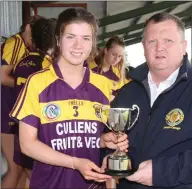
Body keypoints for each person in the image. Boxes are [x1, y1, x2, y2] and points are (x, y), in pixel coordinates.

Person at [9, 7, 128, 189]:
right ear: (58, 40)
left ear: (93, 43)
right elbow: (27, 144)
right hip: (49, 184)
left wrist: (105, 140)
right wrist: (74, 163)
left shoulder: (103, 86)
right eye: (70, 37)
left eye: (85, 38)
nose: (78, 45)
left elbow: (87, 138)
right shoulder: (37, 82)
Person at [103, 12, 192, 189]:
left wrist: (162, 172)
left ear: (183, 47)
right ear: (144, 47)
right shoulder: (126, 93)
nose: (159, 47)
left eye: (168, 41)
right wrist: (107, 155)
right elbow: (109, 137)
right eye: (152, 41)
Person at [12, 18, 56, 185]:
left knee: (29, 178)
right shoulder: (48, 66)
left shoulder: (21, 63)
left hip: (21, 128)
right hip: (40, 134)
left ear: (33, 39)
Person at [1, 15, 42, 189]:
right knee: (15, 168)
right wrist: (26, 85)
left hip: (14, 111)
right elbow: (2, 77)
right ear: (27, 27)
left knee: (19, 168)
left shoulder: (27, 48)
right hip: (5, 111)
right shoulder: (15, 43)